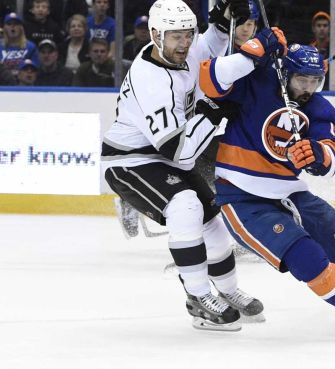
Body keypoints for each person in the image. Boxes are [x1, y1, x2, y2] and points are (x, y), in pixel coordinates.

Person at [199, 39, 335, 337]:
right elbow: (209, 79)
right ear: (285, 74)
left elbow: (331, 154)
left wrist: (316, 154)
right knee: (306, 257)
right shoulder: (255, 84)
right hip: (242, 196)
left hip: (292, 192)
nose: (308, 88)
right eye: (302, 79)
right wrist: (252, 51)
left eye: (315, 81)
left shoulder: (318, 108)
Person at [101, 0, 263, 331]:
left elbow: (208, 47)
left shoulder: (179, 50)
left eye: (187, 35)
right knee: (186, 206)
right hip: (129, 161)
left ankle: (229, 292)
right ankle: (198, 297)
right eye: (176, 37)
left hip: (163, 155)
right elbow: (182, 154)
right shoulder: (151, 80)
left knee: (212, 220)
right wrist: (213, 112)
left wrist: (222, 20)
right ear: (156, 34)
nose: (184, 44)